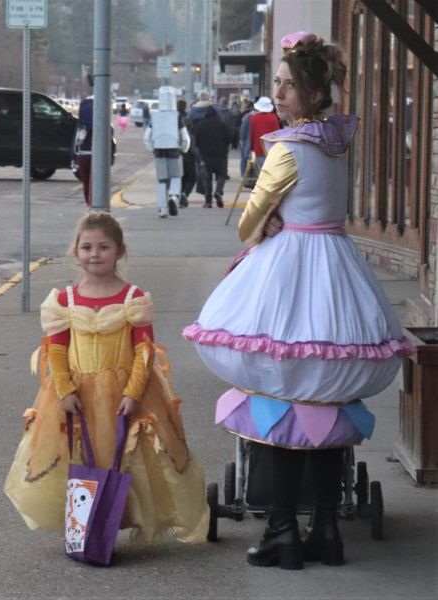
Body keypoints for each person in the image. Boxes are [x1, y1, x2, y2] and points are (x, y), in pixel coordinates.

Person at [183, 31, 414, 569]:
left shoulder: (287, 147)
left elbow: (248, 224)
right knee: (326, 404)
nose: (279, 94)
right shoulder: (337, 139)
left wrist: (269, 222)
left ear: (313, 91)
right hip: (338, 267)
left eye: (288, 86)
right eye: (278, 85)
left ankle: (282, 533)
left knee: (283, 399)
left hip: (290, 275)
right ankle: (326, 532)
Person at [4, 212, 209, 547]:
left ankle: (117, 519)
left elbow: (144, 352)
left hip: (125, 392)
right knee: (80, 455)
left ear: (119, 251)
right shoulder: (64, 300)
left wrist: (132, 393)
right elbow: (56, 349)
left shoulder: (133, 299)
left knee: (126, 457)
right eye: (86, 247)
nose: (94, 253)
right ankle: (85, 527)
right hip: (75, 392)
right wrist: (65, 388)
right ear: (75, 251)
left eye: (103, 246)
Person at [144, 86, 190, 218]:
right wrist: (183, 149)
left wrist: (152, 149)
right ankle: (173, 197)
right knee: (176, 177)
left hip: (158, 151)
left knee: (161, 181)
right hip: (174, 150)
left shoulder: (155, 117)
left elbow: (147, 136)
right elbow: (185, 136)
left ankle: (161, 209)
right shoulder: (177, 117)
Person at [194, 106, 229, 208]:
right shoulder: (221, 124)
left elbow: (196, 141)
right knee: (222, 175)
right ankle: (218, 191)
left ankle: (208, 201)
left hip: (206, 156)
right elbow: (228, 138)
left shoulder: (200, 125)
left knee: (207, 179)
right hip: (220, 155)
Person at [249, 96, 281, 169]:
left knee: (260, 171)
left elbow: (252, 135)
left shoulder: (254, 118)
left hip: (258, 148)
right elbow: (277, 135)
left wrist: (252, 149)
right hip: (271, 149)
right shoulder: (274, 118)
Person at [177, 99, 197, 208]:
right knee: (192, 176)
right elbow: (192, 147)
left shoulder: (174, 118)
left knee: (181, 178)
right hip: (188, 154)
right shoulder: (187, 119)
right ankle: (184, 194)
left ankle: (181, 196)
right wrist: (200, 160)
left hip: (177, 154)